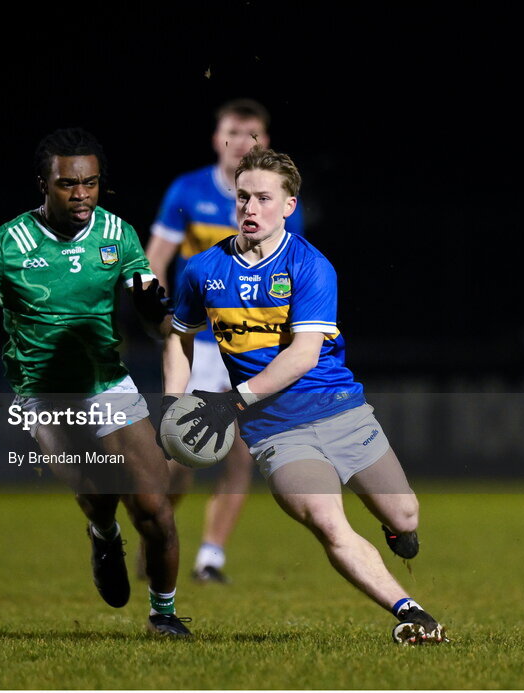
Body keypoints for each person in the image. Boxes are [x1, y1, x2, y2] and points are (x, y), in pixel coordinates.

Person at [162, 145, 447, 644]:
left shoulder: (311, 266)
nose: (251, 208)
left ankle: (399, 529)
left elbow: (303, 356)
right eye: (243, 197)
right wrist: (171, 405)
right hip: (275, 430)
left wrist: (229, 401)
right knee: (326, 520)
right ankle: (412, 613)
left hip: (341, 412)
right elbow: (178, 337)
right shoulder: (201, 270)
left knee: (405, 515)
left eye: (264, 199)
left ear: (289, 206)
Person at [0, 128, 191, 637]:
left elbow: (153, 314)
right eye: (69, 185)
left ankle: (164, 614)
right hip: (43, 395)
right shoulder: (6, 246)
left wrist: (161, 314)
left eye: (90, 184)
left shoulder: (118, 235)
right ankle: (103, 532)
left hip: (107, 384)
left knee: (155, 505)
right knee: (98, 493)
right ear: (42, 185)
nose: (81, 195)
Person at [146, 98, 305, 583]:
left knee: (239, 451)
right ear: (217, 138)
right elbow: (155, 261)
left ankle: (210, 558)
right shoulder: (188, 190)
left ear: (265, 142)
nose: (241, 142)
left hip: (250, 344)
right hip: (199, 342)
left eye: (251, 134)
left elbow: (286, 269)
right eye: (233, 132)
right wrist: (167, 323)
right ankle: (159, 533)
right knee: (183, 453)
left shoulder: (277, 197)